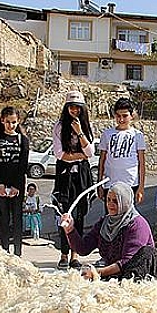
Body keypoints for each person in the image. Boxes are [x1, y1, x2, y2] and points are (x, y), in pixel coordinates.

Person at [61, 182, 157, 282]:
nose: (110, 204)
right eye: (108, 200)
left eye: (115, 201)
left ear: (125, 202)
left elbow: (127, 262)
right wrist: (70, 229)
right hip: (117, 275)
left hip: (143, 275)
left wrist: (97, 272)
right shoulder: (104, 223)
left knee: (147, 252)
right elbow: (83, 248)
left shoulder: (137, 224)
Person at [52, 90, 94, 269]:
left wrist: (79, 133)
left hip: (81, 177)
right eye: (71, 107)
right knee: (65, 214)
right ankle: (63, 253)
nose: (75, 111)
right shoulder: (60, 127)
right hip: (65, 176)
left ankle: (75, 254)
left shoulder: (84, 126)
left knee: (79, 215)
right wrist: (79, 155)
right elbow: (60, 154)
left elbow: (91, 153)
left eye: (78, 107)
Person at [0, 106, 29, 256]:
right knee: (3, 219)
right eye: (8, 122)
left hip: (17, 186)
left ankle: (18, 253)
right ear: (2, 121)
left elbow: (23, 164)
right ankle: (4, 250)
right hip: (1, 186)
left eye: (13, 122)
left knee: (17, 220)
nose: (10, 125)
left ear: (18, 122)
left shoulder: (22, 139)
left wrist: (16, 186)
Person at [97, 98, 146, 205]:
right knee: (111, 215)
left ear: (131, 115)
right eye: (118, 116)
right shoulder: (107, 134)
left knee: (128, 218)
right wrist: (99, 184)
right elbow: (102, 160)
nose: (121, 119)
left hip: (131, 184)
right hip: (110, 184)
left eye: (125, 116)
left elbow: (141, 162)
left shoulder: (137, 135)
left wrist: (141, 187)